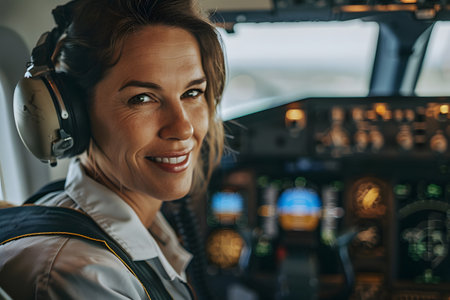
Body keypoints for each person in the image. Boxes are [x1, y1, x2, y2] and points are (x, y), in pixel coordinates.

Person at [0, 0, 226, 299]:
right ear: (75, 114)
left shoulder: (144, 231)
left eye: (192, 92)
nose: (183, 128)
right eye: (143, 98)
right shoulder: (89, 275)